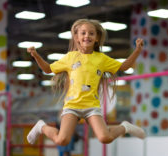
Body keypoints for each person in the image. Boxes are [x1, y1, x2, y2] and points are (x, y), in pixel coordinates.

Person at [27, 19, 146, 147]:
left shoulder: (101, 59)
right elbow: (47, 69)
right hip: (72, 105)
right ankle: (41, 127)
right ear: (77, 38)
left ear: (96, 38)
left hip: (92, 106)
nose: (87, 36)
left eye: (91, 33)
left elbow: (123, 67)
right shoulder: (70, 57)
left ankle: (125, 127)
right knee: (62, 140)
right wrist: (36, 55)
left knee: (105, 137)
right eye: (83, 33)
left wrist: (137, 51)